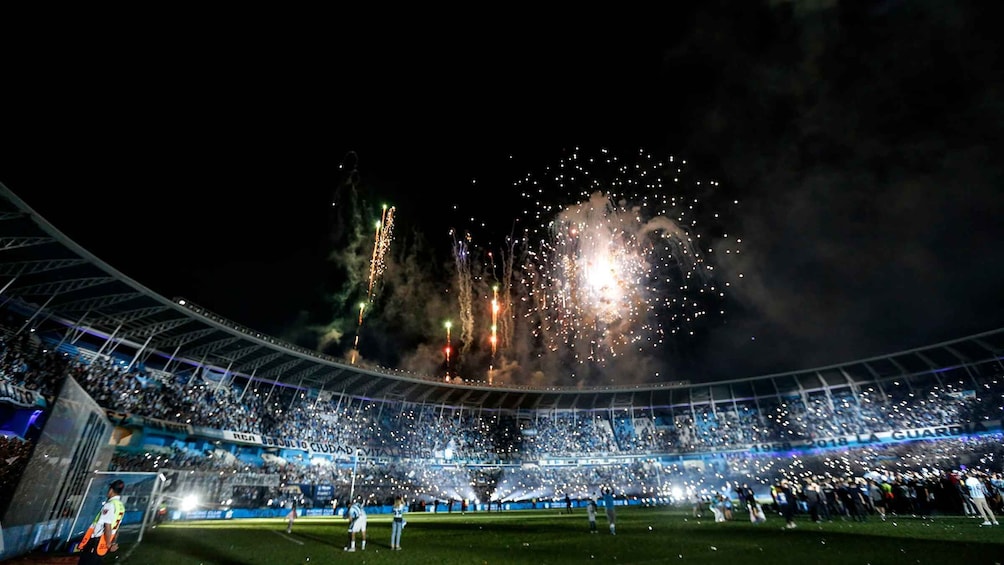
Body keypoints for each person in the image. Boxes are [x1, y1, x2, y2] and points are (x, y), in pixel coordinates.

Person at [77, 479, 126, 565]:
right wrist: (111, 542)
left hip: (96, 542)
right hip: (103, 544)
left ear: (111, 490)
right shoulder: (120, 506)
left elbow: (107, 525)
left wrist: (108, 544)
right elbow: (116, 527)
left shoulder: (110, 505)